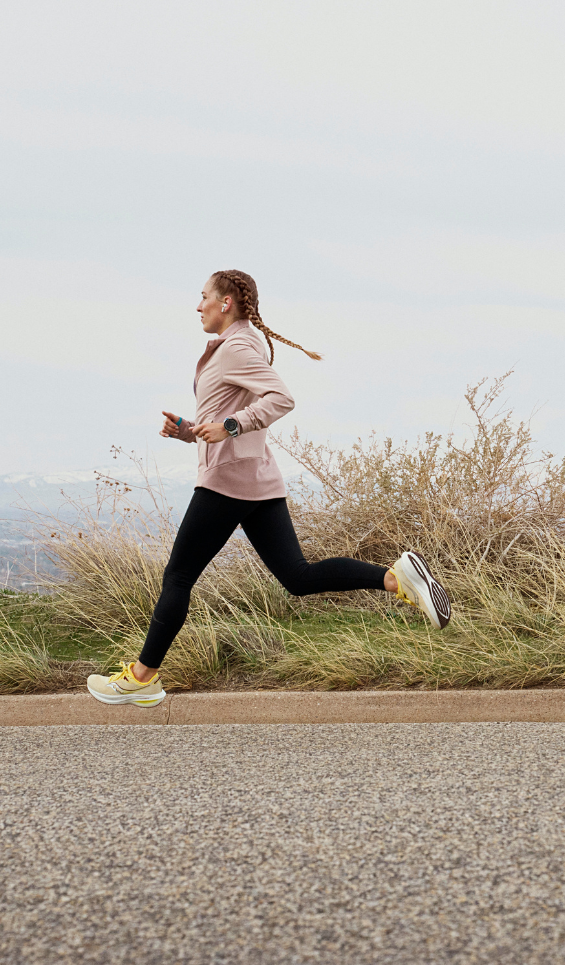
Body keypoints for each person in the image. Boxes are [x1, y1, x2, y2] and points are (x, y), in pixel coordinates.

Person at [87, 269, 451, 708]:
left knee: (178, 577)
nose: (197, 305)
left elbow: (280, 398)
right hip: (256, 480)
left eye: (203, 297)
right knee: (297, 577)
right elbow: (228, 415)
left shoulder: (237, 346)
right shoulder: (236, 345)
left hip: (227, 484)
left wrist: (230, 425)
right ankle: (397, 578)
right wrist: (190, 431)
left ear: (226, 303)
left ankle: (142, 677)